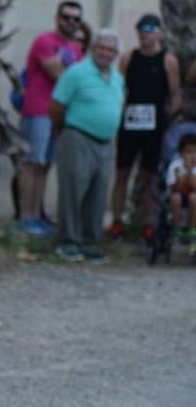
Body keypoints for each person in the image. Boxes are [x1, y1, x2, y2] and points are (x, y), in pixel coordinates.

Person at [50, 29, 125, 264]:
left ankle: (89, 241)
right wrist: (66, 130)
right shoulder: (76, 73)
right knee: (73, 190)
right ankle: (68, 242)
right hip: (78, 137)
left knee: (98, 193)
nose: (106, 53)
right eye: (102, 48)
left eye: (111, 50)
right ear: (93, 49)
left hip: (105, 143)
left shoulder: (117, 77)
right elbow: (56, 107)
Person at [108, 14, 182, 240]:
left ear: (159, 33)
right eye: (141, 29)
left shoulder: (168, 60)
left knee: (149, 175)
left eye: (150, 30)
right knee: (122, 173)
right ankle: (117, 221)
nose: (145, 34)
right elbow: (119, 89)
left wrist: (168, 119)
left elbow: (175, 94)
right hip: (129, 124)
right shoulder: (128, 57)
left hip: (154, 125)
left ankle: (149, 223)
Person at [17, 1, 85, 237]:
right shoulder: (45, 42)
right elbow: (60, 76)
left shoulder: (75, 49)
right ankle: (26, 216)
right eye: (67, 17)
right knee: (32, 163)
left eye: (76, 19)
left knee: (45, 165)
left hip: (59, 114)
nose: (71, 23)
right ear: (57, 18)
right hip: (38, 109)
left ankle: (37, 214)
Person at [167, 133, 196, 255]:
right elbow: (174, 188)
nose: (192, 156)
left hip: (193, 197)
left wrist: (189, 172)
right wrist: (180, 179)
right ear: (181, 153)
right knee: (176, 198)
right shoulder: (175, 165)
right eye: (188, 152)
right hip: (178, 195)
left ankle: (191, 228)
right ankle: (177, 227)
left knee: (194, 197)